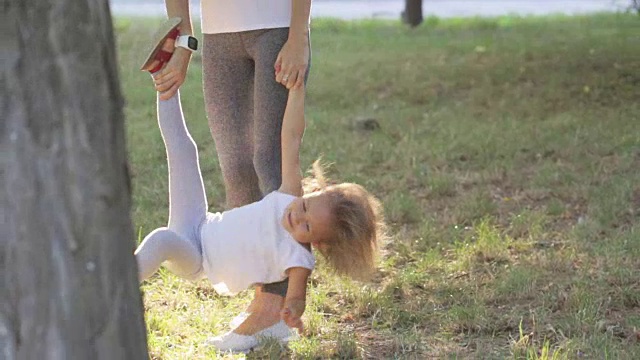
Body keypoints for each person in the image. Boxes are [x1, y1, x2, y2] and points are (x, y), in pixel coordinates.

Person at [136, 25, 385, 352]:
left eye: (308, 227)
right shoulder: (288, 196)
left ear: (320, 243)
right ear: (310, 193)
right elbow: (291, 137)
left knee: (162, 240)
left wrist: (293, 313)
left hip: (196, 259)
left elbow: (296, 297)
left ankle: (111, 288)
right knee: (184, 150)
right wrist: (296, 93)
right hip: (201, 222)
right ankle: (163, 75)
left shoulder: (299, 259)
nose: (298, 218)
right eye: (306, 207)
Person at [151, 0, 313, 342]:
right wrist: (183, 41)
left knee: (270, 162)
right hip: (219, 37)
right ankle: (264, 294)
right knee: (236, 167)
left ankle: (276, 307)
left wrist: (298, 36)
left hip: (277, 26)